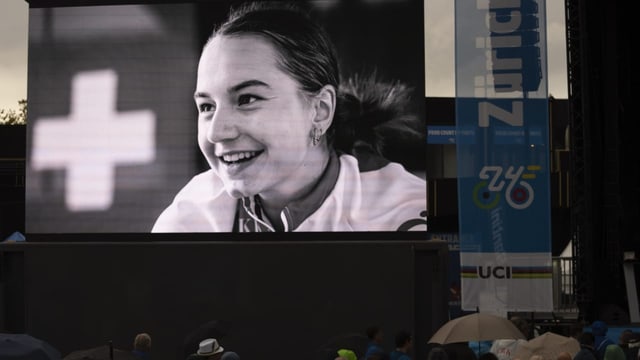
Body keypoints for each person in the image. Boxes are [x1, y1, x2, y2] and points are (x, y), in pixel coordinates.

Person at [151, 1, 427, 233]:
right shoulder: (190, 218)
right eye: (207, 106)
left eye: (247, 99)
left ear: (320, 110)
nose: (216, 132)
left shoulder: (404, 217)